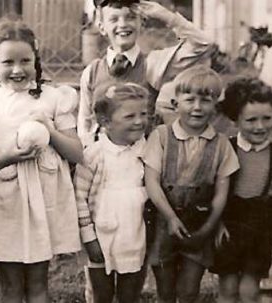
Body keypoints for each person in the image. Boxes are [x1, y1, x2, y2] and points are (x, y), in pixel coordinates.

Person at [0, 17, 82, 302]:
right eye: (8, 62)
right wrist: (8, 156)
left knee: (39, 282)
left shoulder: (53, 98)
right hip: (6, 203)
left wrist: (50, 132)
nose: (18, 70)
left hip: (44, 198)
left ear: (35, 59)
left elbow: (77, 153)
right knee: (11, 285)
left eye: (25, 60)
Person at [143, 65, 239, 303]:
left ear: (215, 104)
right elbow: (152, 181)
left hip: (199, 225)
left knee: (188, 291)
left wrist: (208, 227)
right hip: (165, 223)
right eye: (190, 99)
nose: (197, 107)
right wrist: (171, 217)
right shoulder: (161, 136)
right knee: (166, 292)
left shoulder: (221, 145)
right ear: (176, 103)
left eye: (205, 100)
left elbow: (220, 194)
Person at [78, 0, 216, 147]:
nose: (123, 24)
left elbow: (203, 44)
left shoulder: (152, 63)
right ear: (102, 27)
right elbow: (85, 123)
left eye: (130, 17)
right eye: (114, 19)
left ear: (141, 23)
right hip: (101, 156)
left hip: (141, 154)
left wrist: (168, 17)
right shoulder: (92, 71)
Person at [209, 78, 272, 303]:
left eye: (266, 118)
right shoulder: (226, 148)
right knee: (228, 287)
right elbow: (212, 191)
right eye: (251, 120)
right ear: (235, 119)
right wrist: (217, 223)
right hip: (229, 225)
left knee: (249, 290)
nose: (260, 126)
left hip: (260, 227)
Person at [74, 82, 149, 303]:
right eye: (130, 116)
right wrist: (89, 238)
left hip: (134, 234)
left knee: (130, 293)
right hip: (102, 235)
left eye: (144, 113)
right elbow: (80, 197)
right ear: (105, 122)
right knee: (102, 294)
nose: (139, 121)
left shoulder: (147, 151)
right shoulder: (94, 155)